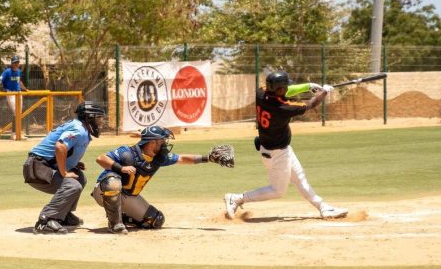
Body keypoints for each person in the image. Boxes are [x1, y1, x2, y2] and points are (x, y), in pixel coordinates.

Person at [224, 70, 348, 220]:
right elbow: (311, 104)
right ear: (279, 89)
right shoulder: (282, 107)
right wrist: (324, 93)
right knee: (277, 191)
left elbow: (284, 90)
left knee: (300, 178)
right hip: (276, 153)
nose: (287, 88)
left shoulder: (261, 93)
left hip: (277, 149)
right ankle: (237, 198)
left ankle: (323, 207)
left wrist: (307, 86)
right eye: (285, 86)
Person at [91, 125, 224, 234]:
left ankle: (122, 216)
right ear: (152, 142)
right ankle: (115, 224)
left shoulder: (159, 158)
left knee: (155, 220)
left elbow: (182, 158)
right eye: (162, 141)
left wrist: (208, 158)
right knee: (113, 183)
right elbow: (100, 159)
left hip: (129, 196)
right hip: (104, 192)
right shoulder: (127, 152)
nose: (165, 145)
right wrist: (121, 168)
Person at [23, 101, 106, 234]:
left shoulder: (79, 126)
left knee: (80, 178)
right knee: (73, 185)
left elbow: (62, 150)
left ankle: (63, 214)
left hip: (43, 165)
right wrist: (64, 172)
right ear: (88, 117)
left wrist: (71, 164)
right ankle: (46, 220)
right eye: (98, 118)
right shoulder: (78, 129)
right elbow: (60, 146)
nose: (100, 122)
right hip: (37, 168)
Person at [0, 55, 28, 139]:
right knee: (16, 113)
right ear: (12, 63)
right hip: (11, 93)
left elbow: (19, 81)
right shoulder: (7, 72)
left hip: (19, 93)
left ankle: (18, 133)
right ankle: (14, 133)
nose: (16, 64)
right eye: (14, 62)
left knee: (19, 114)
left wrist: (25, 89)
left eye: (17, 62)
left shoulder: (19, 71)